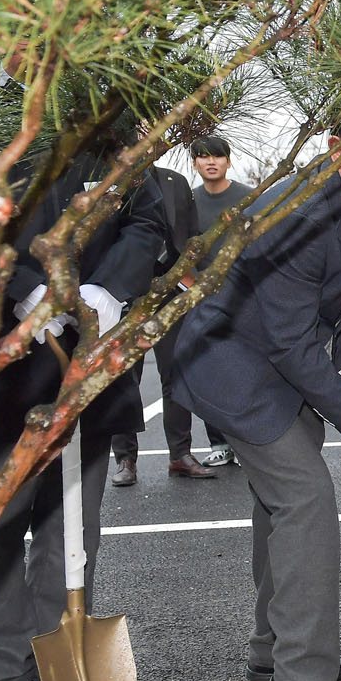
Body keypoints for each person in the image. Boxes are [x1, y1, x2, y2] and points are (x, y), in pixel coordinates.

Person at [173, 91, 341, 681]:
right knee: (306, 499)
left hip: (280, 362)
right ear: (338, 147)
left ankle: (273, 651)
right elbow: (288, 342)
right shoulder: (299, 213)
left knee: (278, 505)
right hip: (237, 370)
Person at [0, 110, 166, 681]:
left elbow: (146, 217)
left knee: (71, 527)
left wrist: (108, 288)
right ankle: (4, 676)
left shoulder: (108, 124)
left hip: (85, 354)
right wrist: (20, 288)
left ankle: (54, 661)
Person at [110, 163, 216, 484]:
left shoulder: (175, 181)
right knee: (123, 377)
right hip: (125, 291)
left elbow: (191, 235)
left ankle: (180, 454)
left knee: (176, 374)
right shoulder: (108, 180)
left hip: (172, 289)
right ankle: (125, 459)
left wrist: (191, 278)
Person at [188, 135, 253, 468]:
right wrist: (196, 287)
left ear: (228, 160)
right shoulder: (188, 201)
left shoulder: (248, 197)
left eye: (217, 156)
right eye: (203, 156)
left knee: (244, 373)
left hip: (244, 297)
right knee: (209, 372)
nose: (210, 162)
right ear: (194, 163)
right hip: (202, 299)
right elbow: (180, 249)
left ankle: (247, 444)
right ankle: (219, 443)